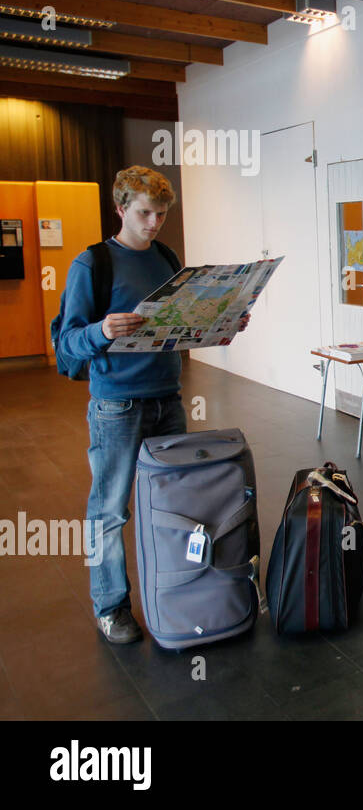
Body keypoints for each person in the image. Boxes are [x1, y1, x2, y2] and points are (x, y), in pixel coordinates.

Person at [55, 166, 248, 643]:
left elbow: (181, 325)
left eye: (161, 214)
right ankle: (110, 608)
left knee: (173, 504)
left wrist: (223, 322)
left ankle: (174, 595)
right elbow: (66, 343)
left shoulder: (165, 258)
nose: (154, 223)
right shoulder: (92, 264)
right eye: (144, 213)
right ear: (120, 209)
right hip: (117, 406)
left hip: (168, 398)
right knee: (109, 512)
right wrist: (101, 330)